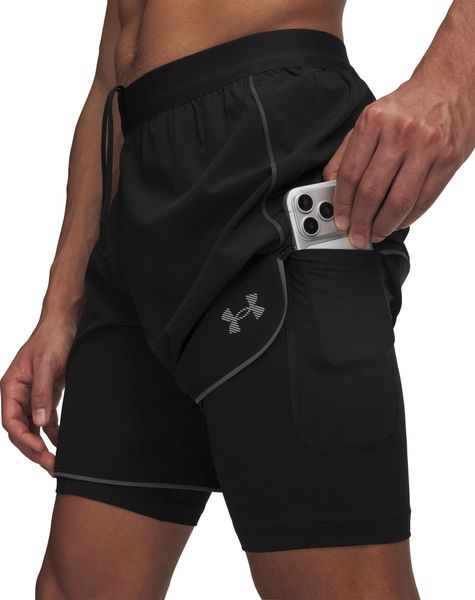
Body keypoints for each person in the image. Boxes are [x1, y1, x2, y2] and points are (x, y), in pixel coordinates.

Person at [2, 1, 474, 598]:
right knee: (74, 588)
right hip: (135, 190)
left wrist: (451, 84)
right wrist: (60, 308)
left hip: (267, 149)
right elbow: (109, 79)